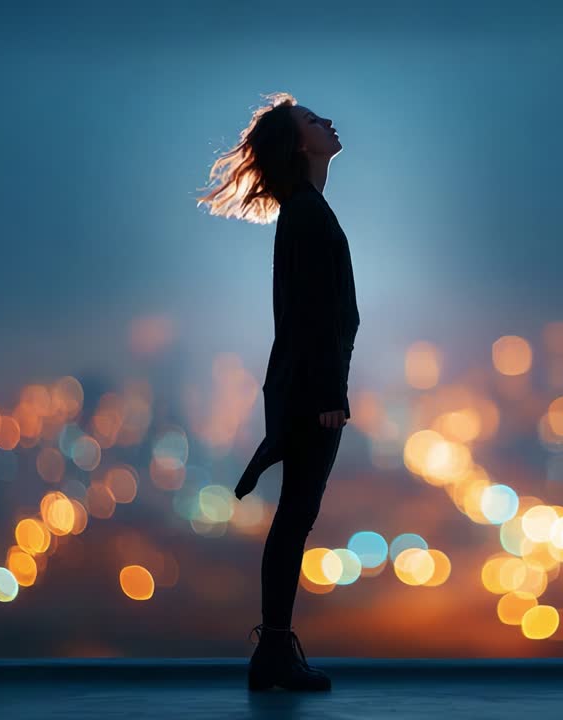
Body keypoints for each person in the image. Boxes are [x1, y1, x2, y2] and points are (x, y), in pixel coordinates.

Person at [196, 92, 359, 692]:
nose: (328, 121)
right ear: (299, 144)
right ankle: (273, 652)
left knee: (294, 519)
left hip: (304, 387)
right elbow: (316, 318)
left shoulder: (305, 211)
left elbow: (315, 316)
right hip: (312, 392)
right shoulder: (307, 216)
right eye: (314, 120)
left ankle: (273, 651)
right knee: (295, 521)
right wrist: (328, 397)